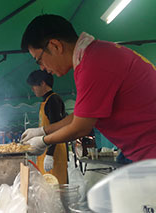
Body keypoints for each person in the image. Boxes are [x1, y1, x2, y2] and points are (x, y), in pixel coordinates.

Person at [20, 14, 156, 162]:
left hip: (150, 149)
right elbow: (81, 115)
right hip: (139, 149)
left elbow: (81, 127)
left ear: (55, 46)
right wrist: (43, 130)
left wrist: (44, 140)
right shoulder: (92, 56)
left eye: (39, 60)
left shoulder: (94, 64)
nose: (42, 68)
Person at [27, 70, 68, 184]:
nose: (32, 89)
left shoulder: (53, 100)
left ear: (42, 83)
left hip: (55, 150)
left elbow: (57, 128)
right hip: (47, 147)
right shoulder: (45, 101)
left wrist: (50, 154)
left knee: (55, 186)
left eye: (33, 86)